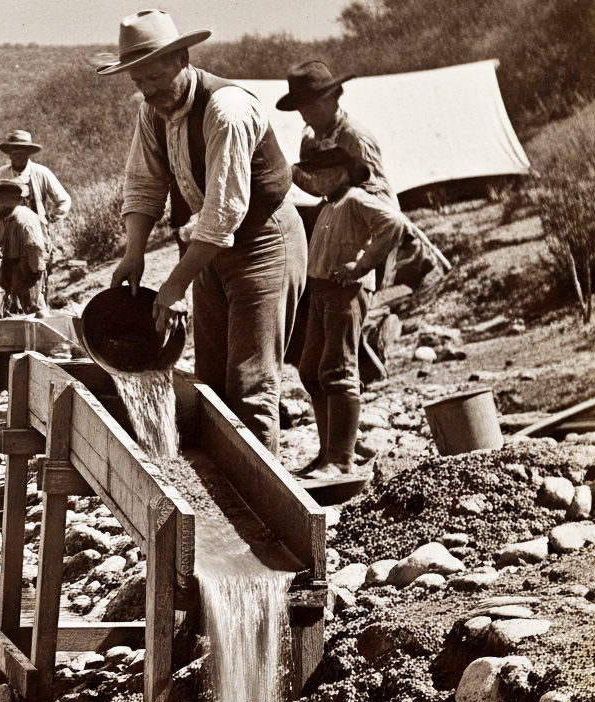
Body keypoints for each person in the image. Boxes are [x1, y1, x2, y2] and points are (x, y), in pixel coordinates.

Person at [104, 9, 306, 454]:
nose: (150, 90)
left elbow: (223, 213)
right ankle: (216, 494)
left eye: (157, 76)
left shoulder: (226, 109)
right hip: (210, 248)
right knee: (211, 383)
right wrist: (134, 253)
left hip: (264, 241)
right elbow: (143, 184)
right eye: (140, 82)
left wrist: (175, 284)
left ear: (183, 58)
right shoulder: (153, 110)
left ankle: (262, 514)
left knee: (250, 386)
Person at [292, 146, 405, 478]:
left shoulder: (356, 199)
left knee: (338, 370)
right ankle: (327, 451)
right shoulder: (329, 205)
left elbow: (393, 223)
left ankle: (341, 459)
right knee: (311, 370)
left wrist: (362, 264)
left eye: (325, 173)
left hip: (346, 291)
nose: (318, 180)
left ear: (343, 172)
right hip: (322, 291)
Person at [279, 60, 393, 204]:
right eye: (302, 109)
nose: (307, 116)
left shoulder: (355, 138)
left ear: (332, 98)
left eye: (313, 107)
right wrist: (292, 173)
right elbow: (321, 187)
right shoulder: (309, 137)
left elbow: (378, 200)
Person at [0, 179, 48, 315]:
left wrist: (31, 278)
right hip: (10, 266)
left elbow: (35, 247)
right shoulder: (2, 221)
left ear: (16, 200)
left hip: (28, 269)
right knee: (6, 304)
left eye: (3, 201)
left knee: (34, 311)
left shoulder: (25, 219)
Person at [0, 130, 73, 231]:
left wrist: (51, 219)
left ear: (29, 154)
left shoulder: (41, 172)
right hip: (7, 231)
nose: (19, 157)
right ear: (10, 155)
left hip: (36, 230)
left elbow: (64, 200)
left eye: (23, 153)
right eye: (16, 153)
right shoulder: (1, 173)